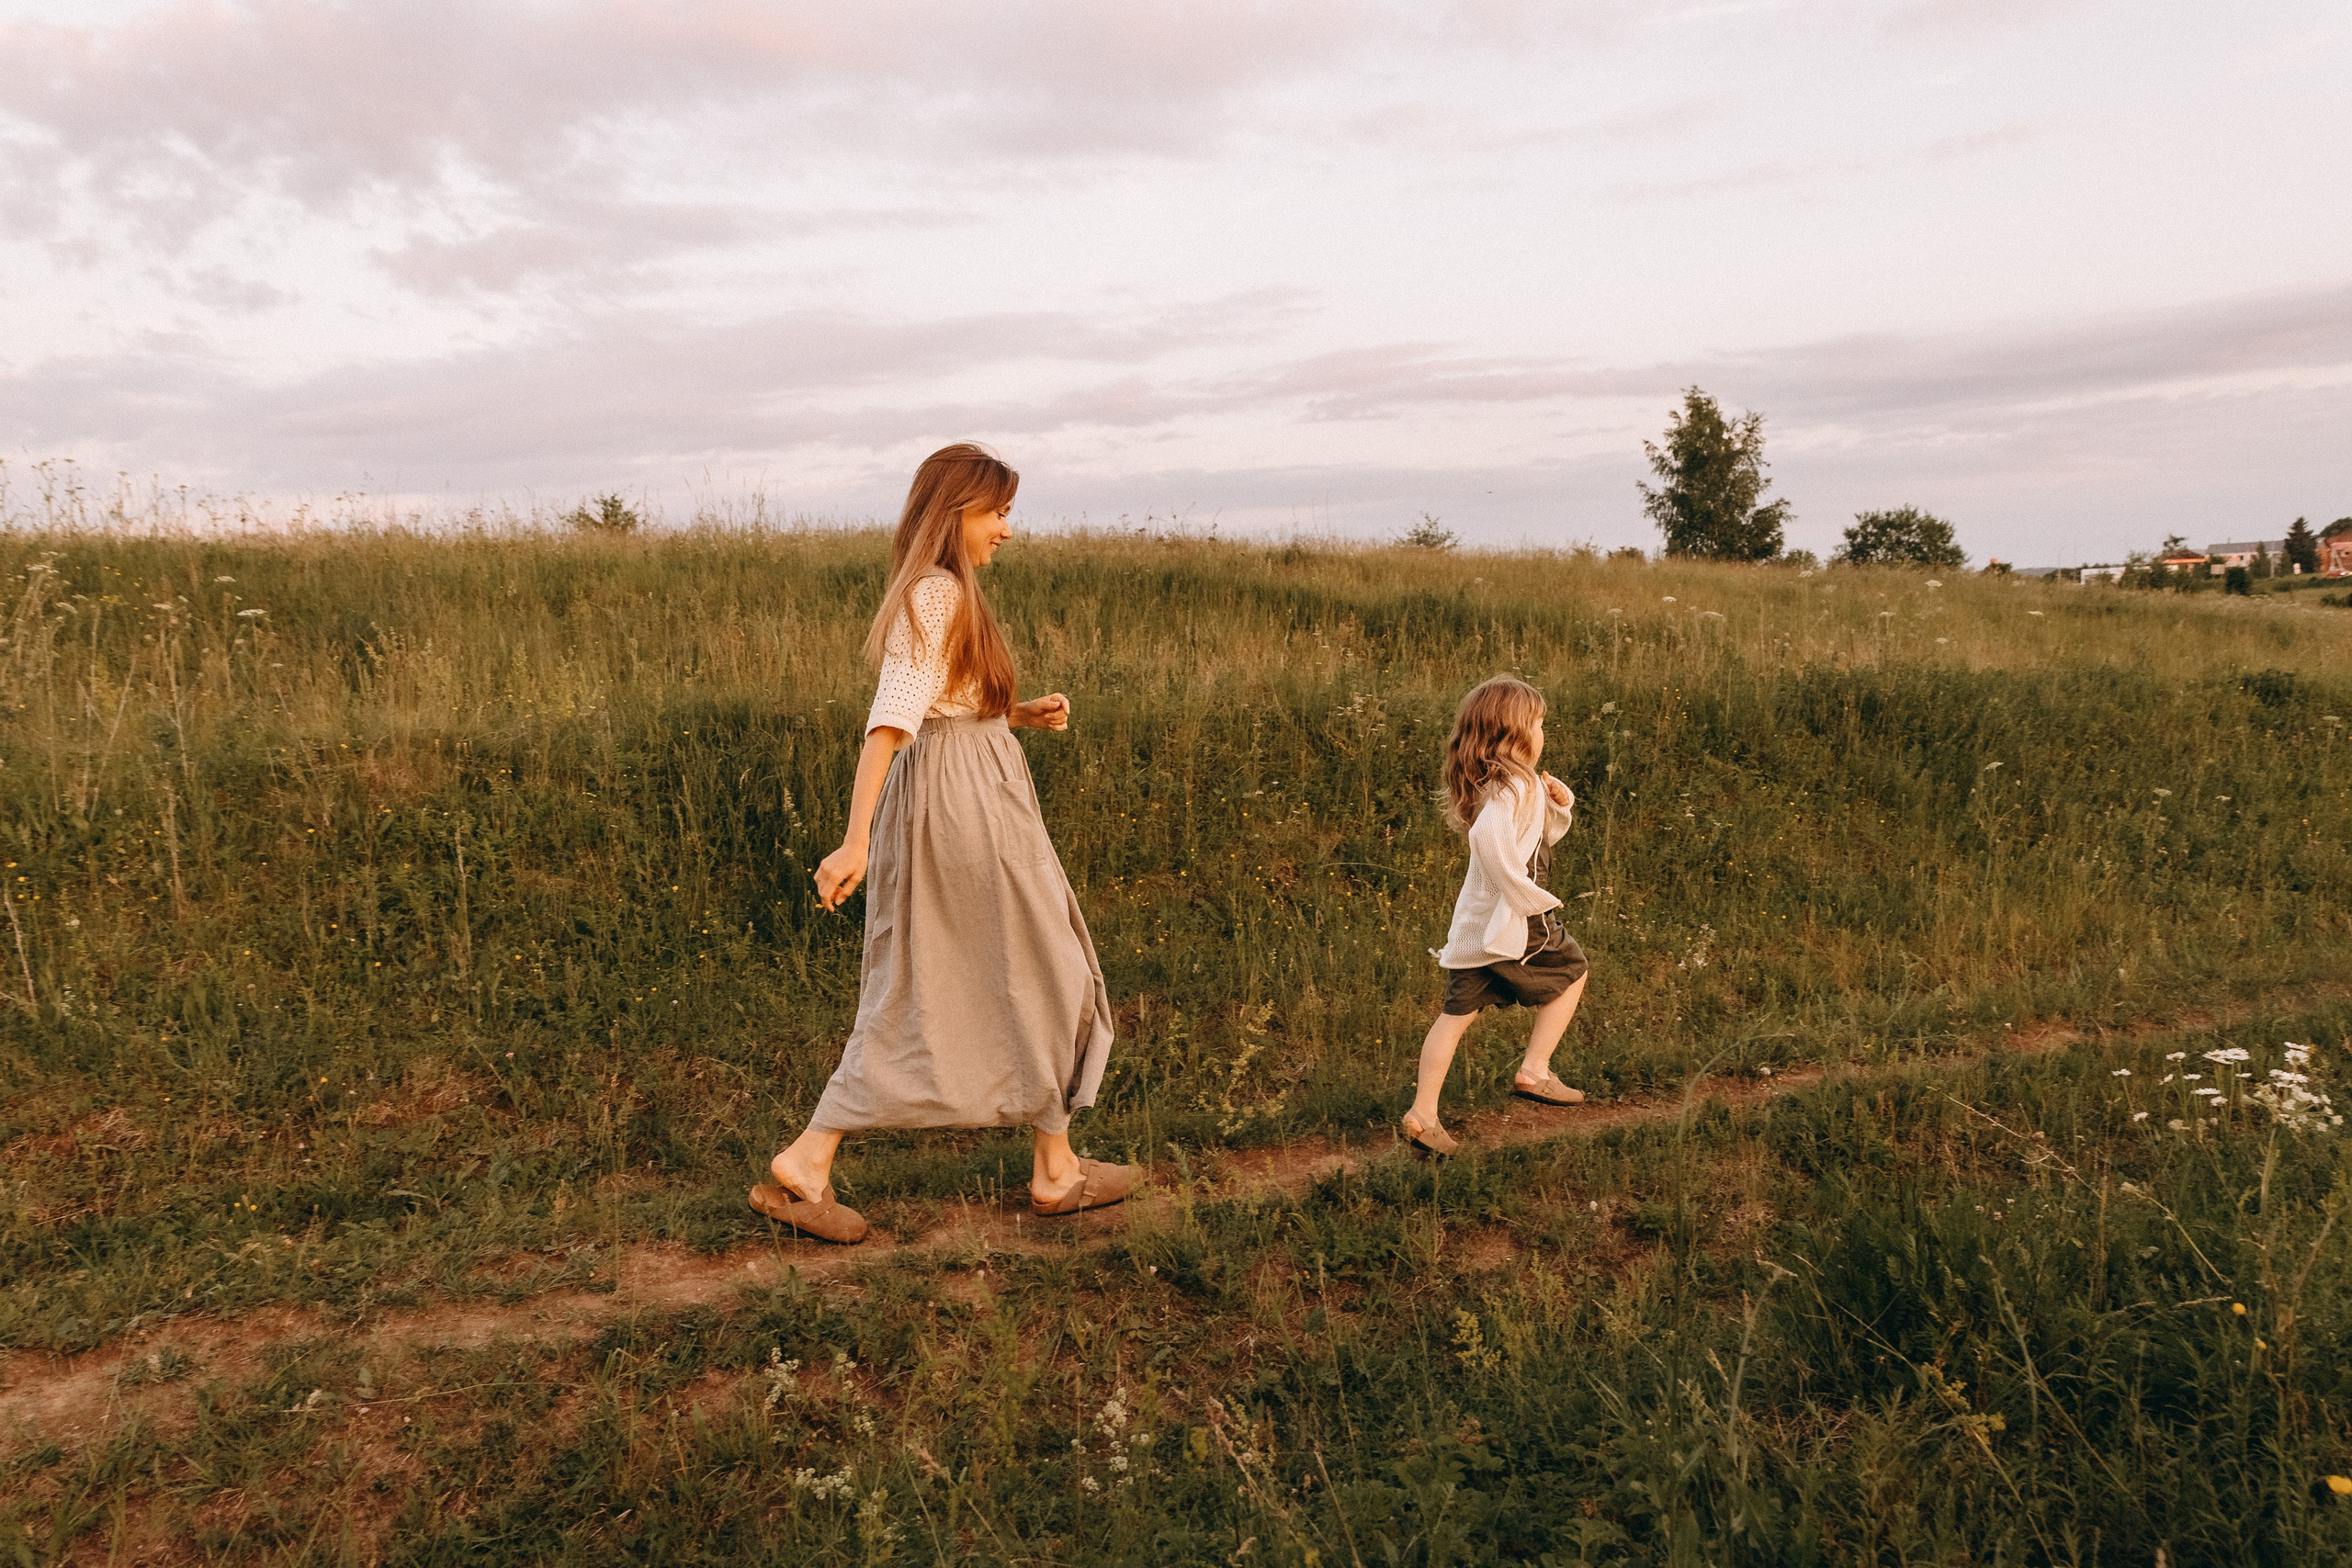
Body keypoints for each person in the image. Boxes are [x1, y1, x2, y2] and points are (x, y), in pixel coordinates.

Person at [751, 444, 1134, 1242]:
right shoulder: (934, 594)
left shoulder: (947, 592)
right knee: (1050, 969)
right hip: (965, 809)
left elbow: (937, 705)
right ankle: (1052, 1173)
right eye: (997, 512)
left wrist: (1016, 712)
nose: (1007, 529)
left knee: (964, 977)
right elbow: (889, 724)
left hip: (971, 787)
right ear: (955, 511)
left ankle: (811, 1162)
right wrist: (853, 842)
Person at [1400, 675, 1589, 1156]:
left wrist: (1558, 808)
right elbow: (1490, 841)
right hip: (1515, 923)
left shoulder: (1495, 783)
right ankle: (1535, 1071)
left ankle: (1423, 1115)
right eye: (1540, 724)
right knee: (1572, 971)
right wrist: (1526, 895)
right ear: (1515, 733)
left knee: (1455, 1016)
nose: (1544, 733)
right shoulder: (1517, 784)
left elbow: (1528, 839)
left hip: (1476, 929)